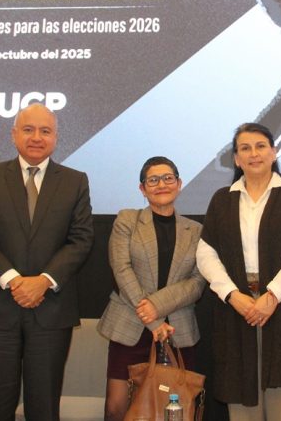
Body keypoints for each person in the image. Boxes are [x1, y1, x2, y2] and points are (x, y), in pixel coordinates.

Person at [0, 102, 94, 421]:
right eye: (28, 129)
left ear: (55, 138)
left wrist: (43, 281)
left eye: (45, 131)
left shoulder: (75, 181)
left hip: (51, 310)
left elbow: (81, 239)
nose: (37, 137)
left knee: (44, 406)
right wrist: (13, 280)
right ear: (14, 135)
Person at [197, 123, 281, 421]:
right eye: (245, 148)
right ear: (236, 159)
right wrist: (231, 295)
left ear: (274, 152)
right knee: (244, 407)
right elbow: (206, 253)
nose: (254, 154)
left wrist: (272, 295)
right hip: (237, 312)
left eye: (261, 146)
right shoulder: (222, 199)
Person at [96, 156, 206, 421]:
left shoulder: (196, 230)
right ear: (142, 189)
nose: (161, 185)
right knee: (117, 408)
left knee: (176, 411)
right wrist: (154, 320)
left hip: (177, 331)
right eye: (153, 180)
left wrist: (157, 306)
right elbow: (121, 270)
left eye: (168, 178)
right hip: (130, 327)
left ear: (179, 183)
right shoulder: (127, 220)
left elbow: (197, 282)